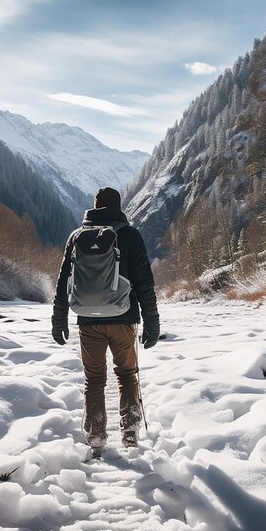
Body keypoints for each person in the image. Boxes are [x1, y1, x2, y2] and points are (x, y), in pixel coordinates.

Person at [51, 187, 159, 452]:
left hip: (87, 319)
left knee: (94, 380)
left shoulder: (76, 236)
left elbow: (64, 280)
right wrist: (152, 322)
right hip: (123, 318)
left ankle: (96, 436)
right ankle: (130, 433)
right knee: (126, 375)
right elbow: (145, 282)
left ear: (95, 207)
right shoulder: (130, 235)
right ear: (119, 206)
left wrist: (59, 318)